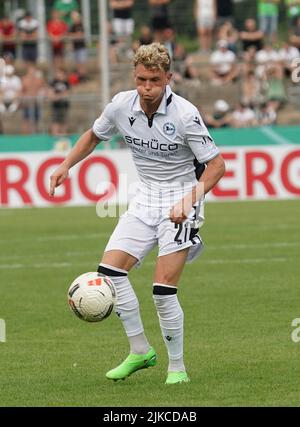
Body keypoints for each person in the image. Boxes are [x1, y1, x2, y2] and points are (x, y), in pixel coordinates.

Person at [49, 43, 225, 385]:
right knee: (110, 271)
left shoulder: (185, 114)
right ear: (134, 76)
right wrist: (66, 164)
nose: (147, 87)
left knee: (163, 290)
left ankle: (177, 368)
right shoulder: (120, 105)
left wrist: (190, 198)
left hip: (181, 202)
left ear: (168, 78)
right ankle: (140, 351)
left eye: (155, 81)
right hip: (145, 199)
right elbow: (94, 136)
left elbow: (217, 166)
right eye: (142, 79)